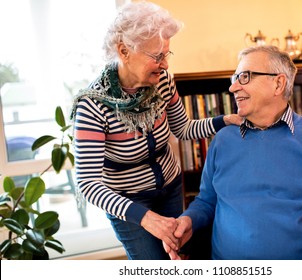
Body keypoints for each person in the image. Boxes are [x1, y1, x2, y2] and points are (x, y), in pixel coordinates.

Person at [164, 45, 302, 260]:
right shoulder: (222, 140)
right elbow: (207, 201)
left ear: (278, 83)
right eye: (234, 78)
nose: (233, 88)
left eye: (245, 77)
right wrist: (189, 220)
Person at [70, 1, 241, 260]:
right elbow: (89, 184)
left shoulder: (162, 82)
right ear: (124, 51)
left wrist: (226, 120)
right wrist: (147, 218)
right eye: (156, 56)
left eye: (166, 55)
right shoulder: (93, 105)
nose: (165, 65)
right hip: (128, 204)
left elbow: (183, 129)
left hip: (171, 188)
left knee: (176, 259)